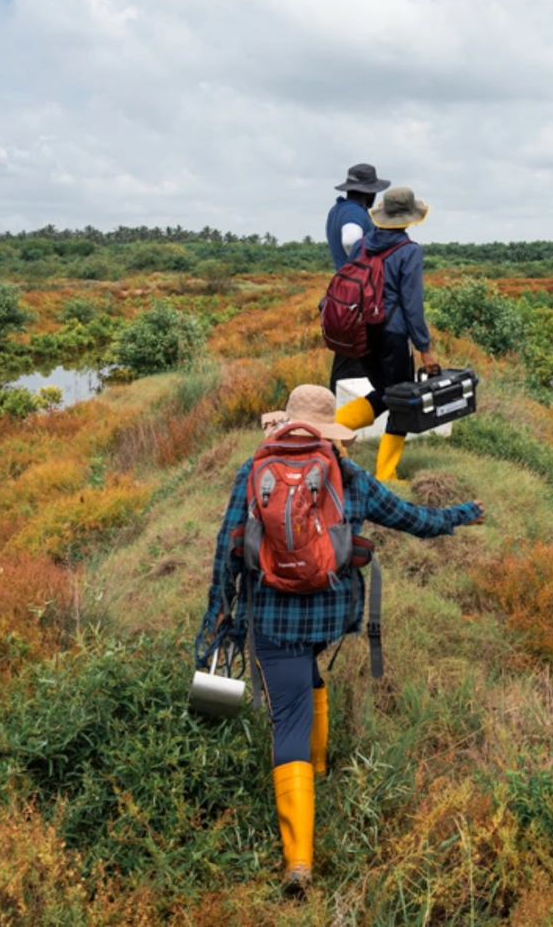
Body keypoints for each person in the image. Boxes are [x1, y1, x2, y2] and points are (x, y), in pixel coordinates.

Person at [195, 384, 483, 893]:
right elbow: (414, 519)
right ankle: (320, 769)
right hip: (331, 616)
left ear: (286, 422)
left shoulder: (253, 471)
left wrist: (219, 617)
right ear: (331, 430)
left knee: (288, 718)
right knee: (306, 673)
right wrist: (461, 513)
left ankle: (298, 862)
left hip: (273, 619)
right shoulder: (349, 476)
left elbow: (227, 548)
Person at [332, 185, 439, 482]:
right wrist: (424, 348)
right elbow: (412, 305)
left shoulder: (362, 245)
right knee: (402, 400)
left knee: (384, 393)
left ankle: (332, 428)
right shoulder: (409, 251)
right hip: (392, 334)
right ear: (409, 218)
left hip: (361, 331)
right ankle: (386, 474)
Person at [326, 164, 388, 392]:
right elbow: (350, 240)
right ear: (370, 193)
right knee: (358, 368)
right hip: (359, 300)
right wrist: (365, 270)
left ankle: (338, 409)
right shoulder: (354, 212)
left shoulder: (337, 210)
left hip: (345, 298)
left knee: (348, 359)